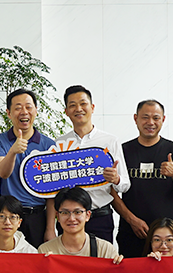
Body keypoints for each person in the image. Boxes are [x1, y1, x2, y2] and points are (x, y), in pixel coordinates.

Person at [112, 99, 173, 258]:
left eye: (156, 118)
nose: (150, 122)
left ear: (163, 119)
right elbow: (111, 192)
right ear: (136, 118)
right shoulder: (123, 151)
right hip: (131, 231)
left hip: (166, 237)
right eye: (145, 117)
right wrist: (131, 220)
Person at [51, 85, 129, 244]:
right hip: (69, 220)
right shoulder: (59, 144)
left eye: (83, 103)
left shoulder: (110, 141)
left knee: (102, 259)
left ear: (92, 107)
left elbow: (125, 185)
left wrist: (116, 179)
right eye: (72, 105)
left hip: (100, 217)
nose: (78, 109)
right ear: (66, 111)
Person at [0, 89, 57, 246]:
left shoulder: (49, 145)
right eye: (18, 108)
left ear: (36, 110)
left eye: (28, 107)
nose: (24, 112)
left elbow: (51, 192)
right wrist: (13, 151)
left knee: (35, 260)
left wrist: (50, 228)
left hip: (36, 217)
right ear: (8, 113)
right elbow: (3, 172)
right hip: (5, 217)